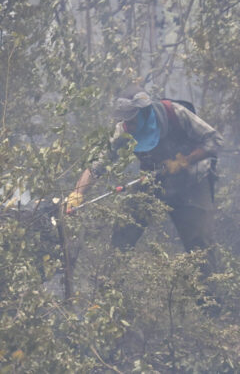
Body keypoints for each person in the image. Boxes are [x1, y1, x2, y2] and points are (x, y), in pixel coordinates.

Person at [66, 84, 223, 273]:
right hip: (153, 180)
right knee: (123, 232)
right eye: (124, 121)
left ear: (145, 112)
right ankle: (107, 289)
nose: (127, 126)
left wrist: (184, 161)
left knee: (201, 247)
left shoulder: (175, 113)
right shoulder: (122, 130)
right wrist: (77, 194)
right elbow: (97, 165)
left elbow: (214, 140)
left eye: (131, 121)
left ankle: (210, 300)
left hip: (192, 184)